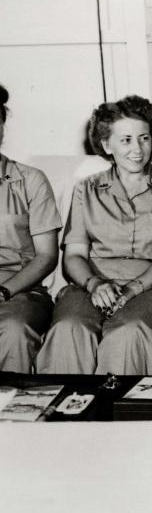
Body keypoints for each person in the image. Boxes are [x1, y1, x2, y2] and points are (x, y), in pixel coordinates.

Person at [36, 96, 152, 375]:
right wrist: (95, 284)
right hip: (92, 284)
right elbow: (74, 255)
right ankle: (64, 414)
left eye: (144, 138)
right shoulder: (87, 189)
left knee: (128, 331)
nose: (137, 149)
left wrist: (133, 288)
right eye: (126, 140)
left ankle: (125, 413)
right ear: (107, 145)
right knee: (69, 328)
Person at [0, 84, 61, 372]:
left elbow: (46, 256)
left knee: (13, 329)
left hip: (19, 292)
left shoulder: (31, 180)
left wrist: (3, 291)